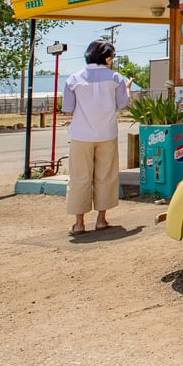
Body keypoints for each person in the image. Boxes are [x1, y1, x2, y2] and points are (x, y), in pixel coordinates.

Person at [62, 40, 131, 236]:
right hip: (107, 133)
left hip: (81, 135)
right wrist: (127, 89)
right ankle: (101, 219)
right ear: (107, 58)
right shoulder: (116, 78)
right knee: (106, 176)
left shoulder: (74, 79)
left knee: (79, 177)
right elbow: (122, 104)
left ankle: (79, 223)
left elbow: (68, 108)